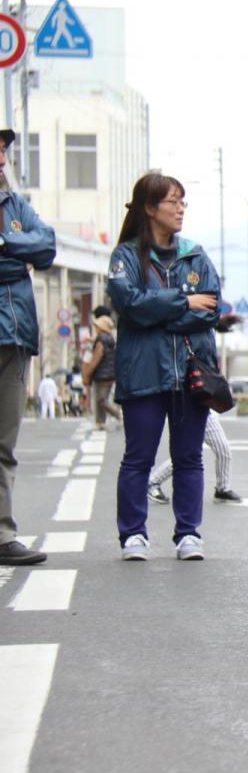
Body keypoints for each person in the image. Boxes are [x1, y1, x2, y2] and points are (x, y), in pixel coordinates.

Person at [107, 172, 221, 562]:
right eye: (172, 201)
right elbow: (130, 306)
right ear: (149, 208)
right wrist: (184, 302)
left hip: (191, 374)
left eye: (182, 202)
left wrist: (162, 311)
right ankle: (133, 535)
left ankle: (188, 534)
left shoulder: (195, 254)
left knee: (190, 457)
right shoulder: (125, 256)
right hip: (143, 373)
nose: (180, 209)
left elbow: (212, 309)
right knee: (138, 457)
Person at [0, 124, 56, 566]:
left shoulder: (17, 206)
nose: (2, 160)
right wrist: (17, 262)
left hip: (14, 337)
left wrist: (6, 243)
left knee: (4, 442)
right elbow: (27, 260)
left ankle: (2, 534)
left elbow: (47, 246)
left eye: (3, 151)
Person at [148, 412, 241, 505]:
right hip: (186, 411)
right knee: (186, 456)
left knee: (223, 451)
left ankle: (222, 490)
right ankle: (152, 482)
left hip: (204, 410)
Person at [82, 306, 122, 429]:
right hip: (110, 373)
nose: (96, 327)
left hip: (103, 373)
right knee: (101, 398)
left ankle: (117, 415)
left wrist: (88, 372)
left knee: (101, 399)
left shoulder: (101, 340)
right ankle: (100, 422)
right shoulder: (109, 338)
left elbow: (96, 358)